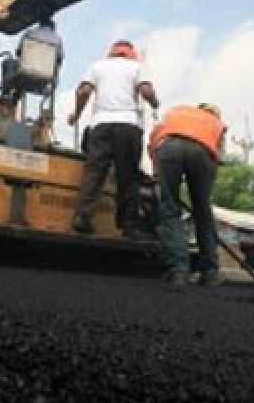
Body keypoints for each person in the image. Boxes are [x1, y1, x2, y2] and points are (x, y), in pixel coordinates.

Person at [66, 40, 158, 238]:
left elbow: (83, 91)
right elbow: (146, 91)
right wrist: (155, 102)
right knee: (128, 177)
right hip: (128, 126)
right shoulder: (137, 67)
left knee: (94, 173)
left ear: (111, 53)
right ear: (132, 54)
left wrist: (76, 114)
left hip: (101, 126)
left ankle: (82, 217)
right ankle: (128, 225)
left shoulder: (97, 66)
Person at [149, 102, 228, 288]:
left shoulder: (177, 112)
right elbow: (218, 155)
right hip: (203, 152)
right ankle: (209, 273)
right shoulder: (217, 122)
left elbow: (154, 139)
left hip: (168, 148)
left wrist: (156, 171)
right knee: (202, 211)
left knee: (169, 208)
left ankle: (178, 270)